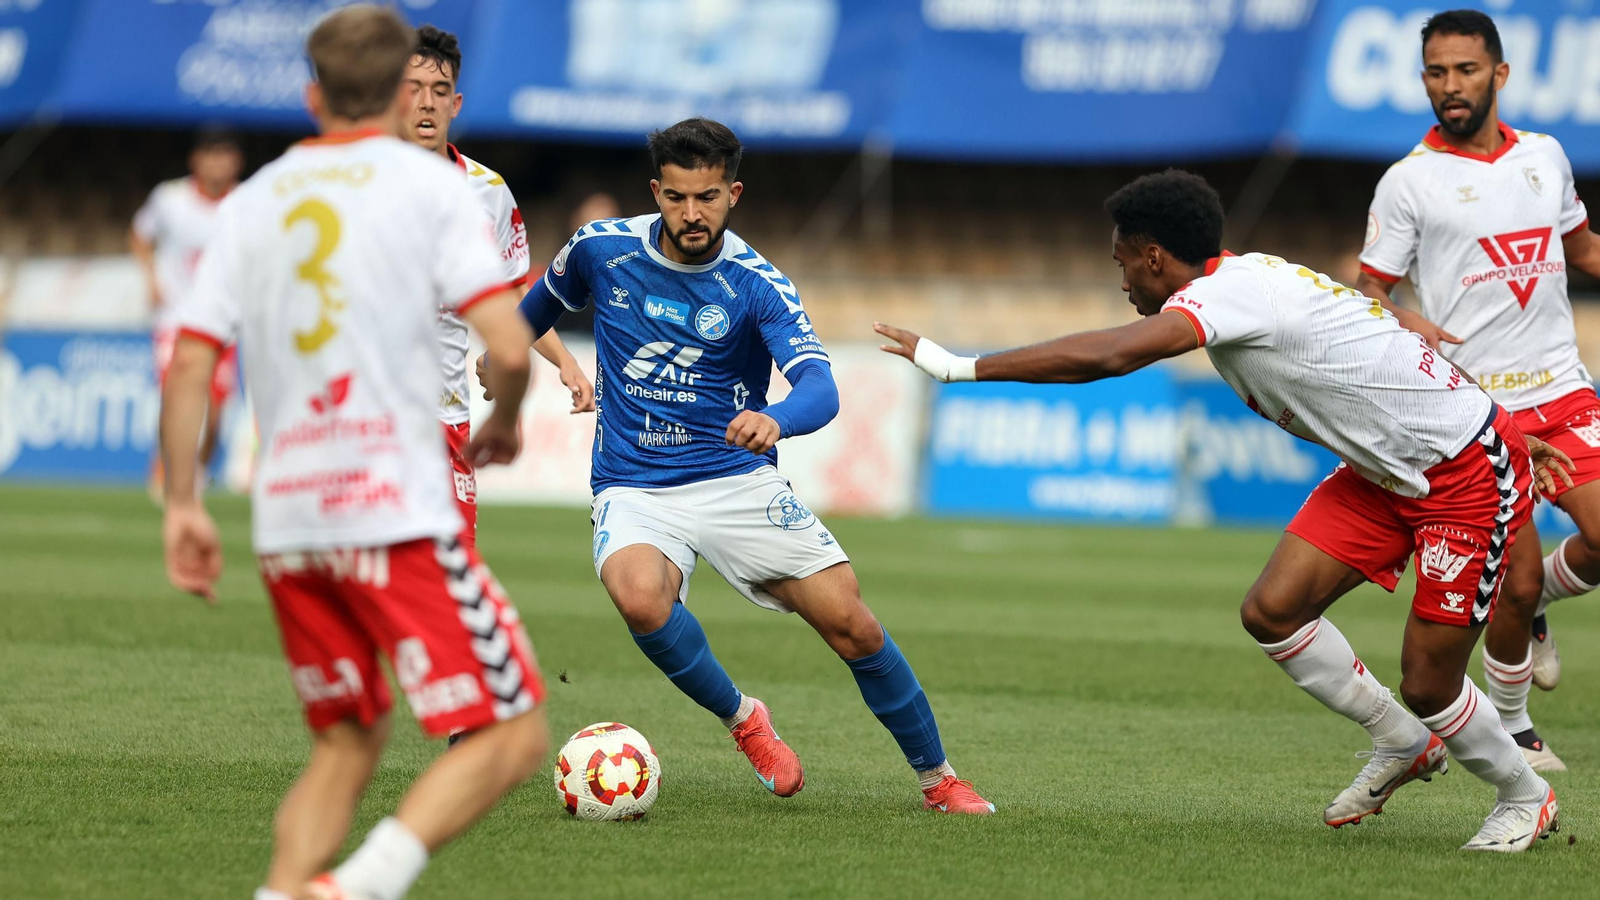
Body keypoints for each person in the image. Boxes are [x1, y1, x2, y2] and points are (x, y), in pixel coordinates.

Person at [878, 169, 1572, 851]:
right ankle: (1400, 741)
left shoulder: (1227, 295)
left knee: (1428, 680)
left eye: (1124, 265)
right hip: (1386, 470)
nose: (1122, 284)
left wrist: (958, 366)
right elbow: (1380, 330)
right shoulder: (1252, 275)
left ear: (1155, 257)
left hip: (1463, 473)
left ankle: (1525, 796)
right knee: (1272, 611)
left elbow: (1115, 356)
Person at [484, 117, 994, 814]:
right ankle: (744, 720)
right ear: (656, 191)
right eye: (678, 197)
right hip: (634, 482)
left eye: (709, 197)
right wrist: (502, 351)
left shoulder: (757, 285)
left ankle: (940, 780)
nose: (692, 214)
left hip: (734, 478)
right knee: (638, 597)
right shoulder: (600, 251)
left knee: (852, 625)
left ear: (735, 193)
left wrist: (776, 418)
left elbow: (821, 387)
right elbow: (531, 310)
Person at [158, 8, 546, 899]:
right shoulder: (436, 191)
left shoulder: (256, 200)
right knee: (515, 734)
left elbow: (190, 361)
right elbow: (509, 346)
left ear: (312, 94)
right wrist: (508, 417)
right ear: (397, 95)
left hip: (289, 515)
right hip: (395, 504)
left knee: (347, 738)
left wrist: (183, 503)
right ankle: (356, 888)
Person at [1354, 10, 1600, 774]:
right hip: (1477, 410)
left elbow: (1582, 247)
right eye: (1435, 72)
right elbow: (1368, 292)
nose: (1449, 87)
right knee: (1514, 580)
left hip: (1562, 390)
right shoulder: (1408, 182)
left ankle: (1535, 619)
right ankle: (1517, 724)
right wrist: (1404, 319)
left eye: (1464, 70)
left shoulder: (1547, 157)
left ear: (1499, 74)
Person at [398, 23, 594, 549]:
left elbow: (511, 296)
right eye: (413, 88)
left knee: (453, 573)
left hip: (444, 414)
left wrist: (565, 362)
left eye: (439, 91)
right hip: (367, 415)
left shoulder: (487, 192)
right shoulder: (357, 184)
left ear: (456, 103)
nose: (426, 103)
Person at [131, 126, 243, 497]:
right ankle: (168, 469)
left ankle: (197, 472)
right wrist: (150, 278)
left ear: (236, 161)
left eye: (224, 153)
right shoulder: (170, 198)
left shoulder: (245, 203)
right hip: (175, 320)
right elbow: (139, 234)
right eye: (210, 153)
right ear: (195, 159)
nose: (216, 162)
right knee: (176, 397)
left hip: (224, 322)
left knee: (214, 416)